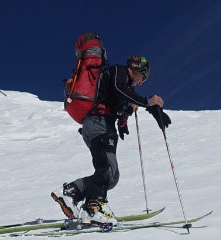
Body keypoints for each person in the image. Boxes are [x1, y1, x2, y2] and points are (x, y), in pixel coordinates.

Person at [59, 53, 169, 225]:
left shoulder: (124, 84)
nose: (142, 82)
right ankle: (94, 207)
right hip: (98, 123)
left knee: (112, 176)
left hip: (101, 126)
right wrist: (146, 101)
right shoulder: (119, 72)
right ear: (137, 69)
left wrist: (127, 116)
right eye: (143, 77)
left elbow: (122, 102)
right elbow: (119, 89)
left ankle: (74, 192)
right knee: (107, 169)